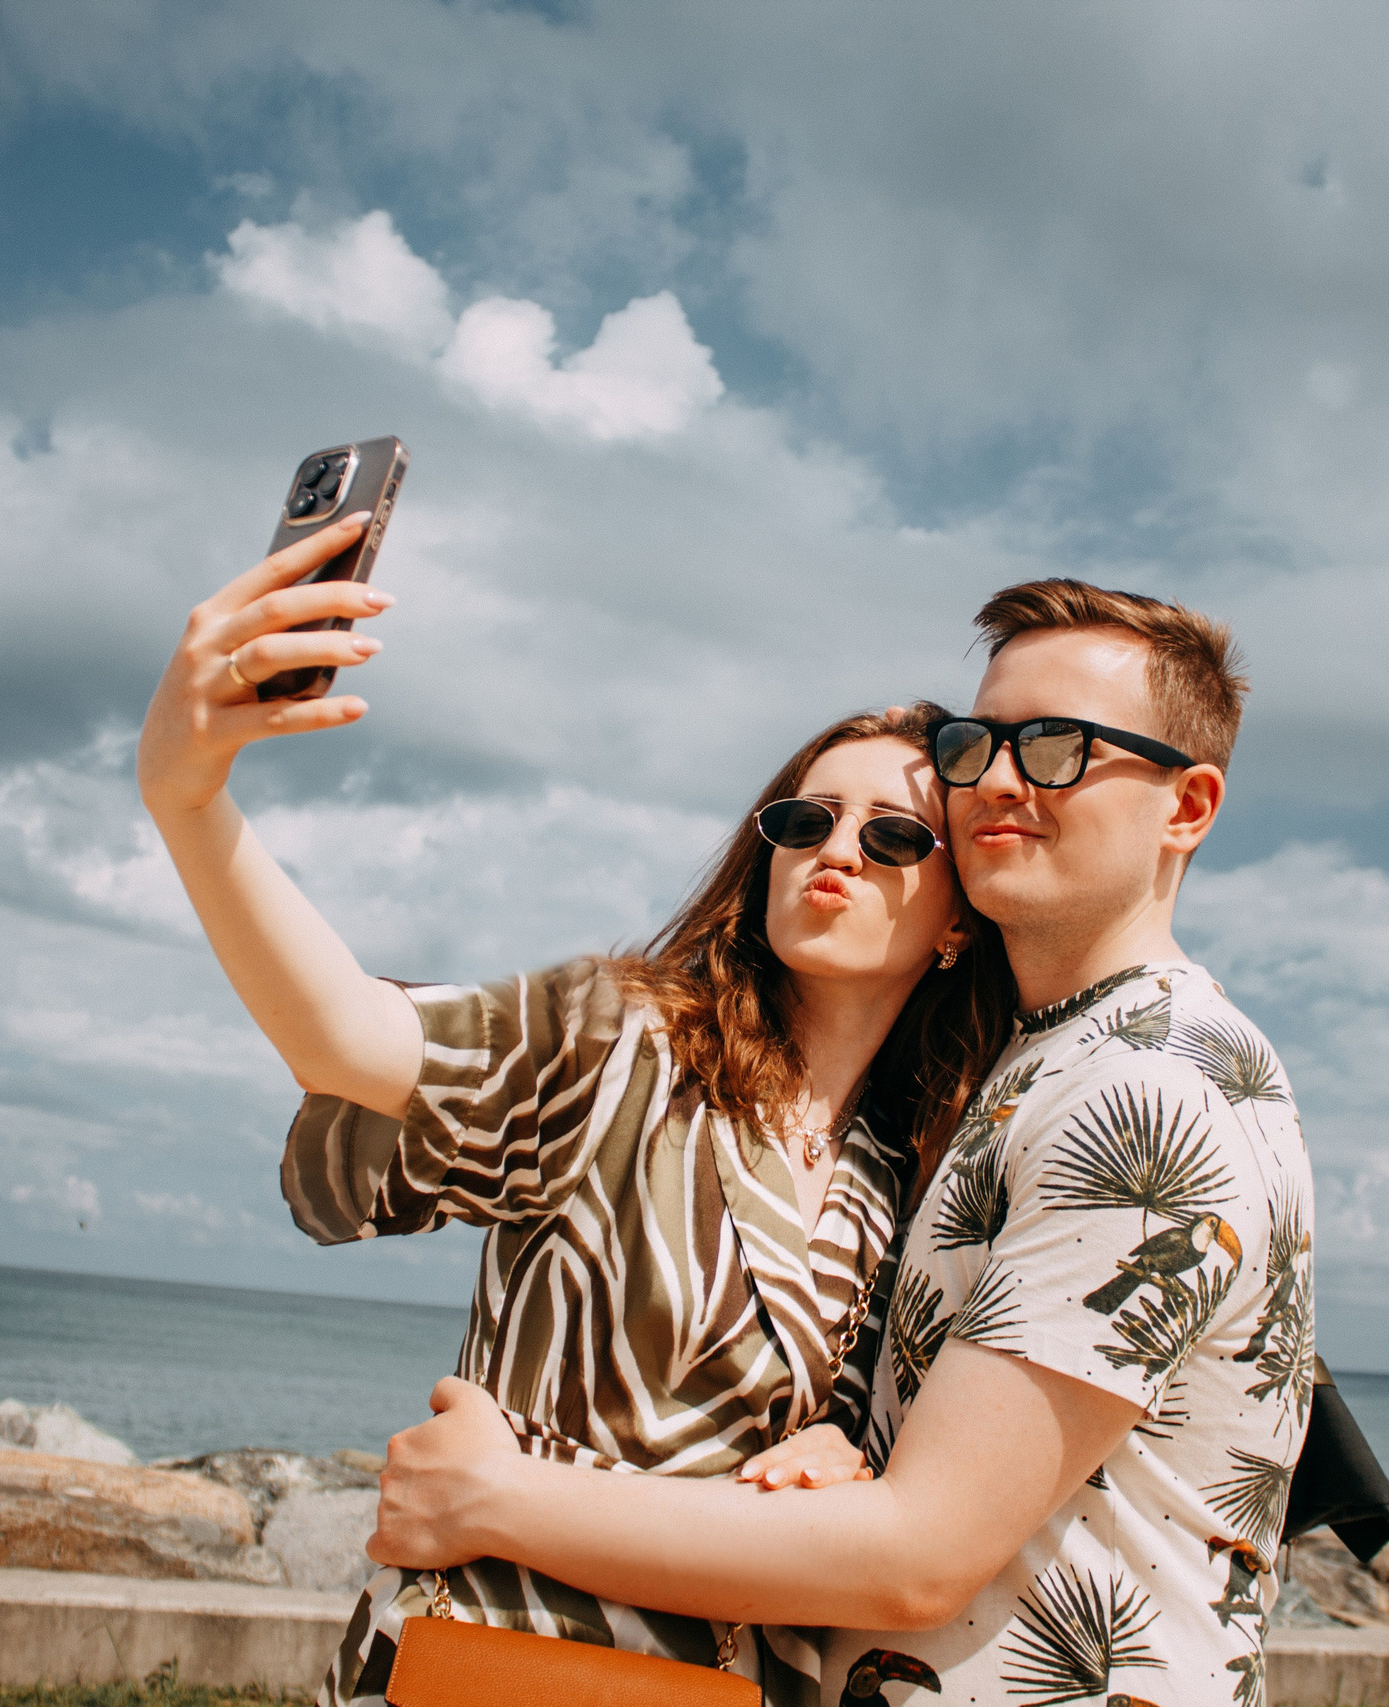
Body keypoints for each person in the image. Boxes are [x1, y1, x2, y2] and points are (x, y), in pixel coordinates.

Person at [370, 579, 1315, 1707]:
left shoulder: (1149, 1088)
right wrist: (848, 1432)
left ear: (1186, 806)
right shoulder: (1031, 1068)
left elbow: (920, 1555)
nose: (999, 780)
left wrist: (491, 1499)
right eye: (980, 742)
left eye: (1059, 745)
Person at [134, 512, 1014, 1707]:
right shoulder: (624, 1039)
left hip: (717, 1681)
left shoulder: (910, 1166)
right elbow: (348, 1039)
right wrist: (189, 796)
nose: (837, 850)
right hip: (493, 1654)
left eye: (896, 835)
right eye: (803, 820)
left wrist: (847, 1445)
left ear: (961, 919)